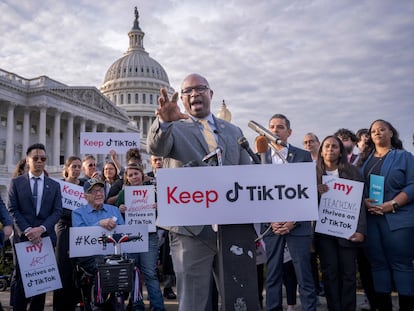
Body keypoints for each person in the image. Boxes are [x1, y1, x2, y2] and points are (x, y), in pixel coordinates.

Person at [147, 73, 253, 310]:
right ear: (182, 99)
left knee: (239, 298)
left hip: (232, 229)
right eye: (187, 91)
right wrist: (163, 123)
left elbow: (248, 174)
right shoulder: (174, 129)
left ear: (211, 94)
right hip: (191, 231)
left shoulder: (234, 131)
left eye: (200, 88)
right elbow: (155, 146)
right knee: (193, 302)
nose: (194, 94)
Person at [261, 113, 317, 311]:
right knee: (273, 275)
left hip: (297, 225)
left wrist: (293, 220)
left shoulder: (302, 156)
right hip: (271, 227)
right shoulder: (260, 158)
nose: (275, 130)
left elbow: (307, 191)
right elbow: (256, 194)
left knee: (304, 275)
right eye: (272, 127)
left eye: (280, 127)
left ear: (289, 132)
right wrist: (270, 220)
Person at [359, 119, 414, 311]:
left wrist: (392, 204)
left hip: (398, 220)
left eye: (382, 129)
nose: (377, 133)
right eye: (373, 131)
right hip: (372, 221)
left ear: (391, 133)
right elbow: (359, 188)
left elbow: (413, 185)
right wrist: (364, 200)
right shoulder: (364, 161)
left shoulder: (404, 157)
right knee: (377, 265)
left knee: (402, 264)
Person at [7, 143, 63, 310]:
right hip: (23, 239)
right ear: (27, 160)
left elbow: (57, 211)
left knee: (42, 283)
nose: (40, 161)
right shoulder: (16, 183)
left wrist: (41, 229)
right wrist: (28, 230)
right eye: (36, 158)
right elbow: (12, 209)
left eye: (43, 159)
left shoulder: (54, 185)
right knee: (21, 281)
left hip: (44, 239)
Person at [315, 135, 366, 311]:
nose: (330, 149)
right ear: (321, 151)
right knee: (330, 274)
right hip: (324, 234)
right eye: (327, 146)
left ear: (340, 151)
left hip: (348, 232)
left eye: (334, 147)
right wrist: (316, 191)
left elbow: (360, 204)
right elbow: (304, 202)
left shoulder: (352, 172)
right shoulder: (312, 174)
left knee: (349, 274)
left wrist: (360, 231)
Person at [116, 163, 165, 311]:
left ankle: (157, 307)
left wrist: (158, 206)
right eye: (130, 175)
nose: (133, 177)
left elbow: (162, 213)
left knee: (150, 273)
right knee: (134, 273)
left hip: (149, 236)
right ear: (127, 178)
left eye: (136, 173)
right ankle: (137, 306)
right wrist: (120, 209)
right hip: (130, 237)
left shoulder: (152, 192)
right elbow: (117, 217)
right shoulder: (123, 194)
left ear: (141, 174)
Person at [72, 178, 125, 310]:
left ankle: (116, 304)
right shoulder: (78, 213)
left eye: (101, 190)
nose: (99, 194)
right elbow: (80, 237)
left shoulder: (114, 210)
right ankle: (99, 305)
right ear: (85, 196)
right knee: (105, 266)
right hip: (90, 257)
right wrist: (100, 225)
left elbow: (124, 234)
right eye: (94, 191)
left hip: (113, 255)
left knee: (125, 266)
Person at [53, 156, 84, 311]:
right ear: (67, 168)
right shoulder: (59, 185)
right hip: (63, 227)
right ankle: (60, 306)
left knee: (76, 267)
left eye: (79, 166)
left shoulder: (85, 185)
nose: (77, 169)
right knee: (62, 266)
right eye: (74, 166)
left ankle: (76, 302)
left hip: (80, 229)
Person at [147, 155, 177, 300]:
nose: (158, 162)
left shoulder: (172, 177)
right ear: (151, 163)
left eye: (160, 160)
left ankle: (168, 287)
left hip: (167, 223)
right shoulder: (145, 178)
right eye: (155, 160)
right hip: (150, 223)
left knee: (167, 257)